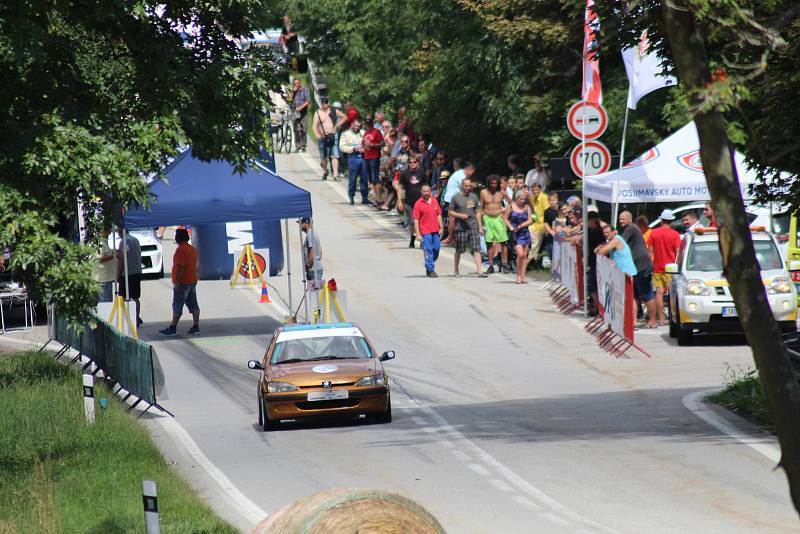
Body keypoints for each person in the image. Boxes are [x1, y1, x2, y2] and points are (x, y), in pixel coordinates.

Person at [619, 210, 657, 328]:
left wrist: (606, 246)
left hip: (642, 267)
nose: (621, 221)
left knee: (647, 295)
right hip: (634, 268)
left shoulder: (631, 228)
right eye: (620, 218)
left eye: (623, 218)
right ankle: (633, 320)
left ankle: (653, 320)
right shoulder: (628, 229)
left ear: (630, 219)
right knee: (634, 295)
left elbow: (620, 242)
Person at [159, 228, 199, 336]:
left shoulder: (180, 250)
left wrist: (177, 281)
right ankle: (196, 326)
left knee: (177, 304)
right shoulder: (192, 249)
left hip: (183, 281)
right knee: (194, 304)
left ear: (178, 238)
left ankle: (173, 327)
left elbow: (180, 267)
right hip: (192, 280)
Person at [650, 209, 682, 325]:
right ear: (671, 221)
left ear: (661, 220)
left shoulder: (654, 233)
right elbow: (678, 251)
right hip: (671, 269)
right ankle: (672, 318)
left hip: (657, 268)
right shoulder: (675, 234)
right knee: (672, 293)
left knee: (659, 293)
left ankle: (661, 318)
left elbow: (650, 251)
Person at [449, 178, 486, 278]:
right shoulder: (455, 197)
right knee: (459, 250)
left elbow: (478, 212)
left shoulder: (474, 197)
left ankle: (480, 272)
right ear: (462, 185)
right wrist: (460, 215)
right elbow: (450, 212)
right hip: (460, 227)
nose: (468, 188)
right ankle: (456, 270)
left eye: (469, 186)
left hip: (473, 226)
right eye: (466, 186)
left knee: (476, 248)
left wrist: (480, 227)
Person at [480, 175, 509, 273]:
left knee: (503, 242)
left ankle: (505, 264)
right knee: (489, 243)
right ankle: (491, 265)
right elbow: (481, 208)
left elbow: (512, 203)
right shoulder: (483, 192)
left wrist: (506, 211)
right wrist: (480, 225)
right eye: (492, 183)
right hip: (488, 219)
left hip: (498, 219)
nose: (493, 185)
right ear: (488, 183)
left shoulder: (501, 193)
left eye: (496, 183)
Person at [413, 184, 443, 277]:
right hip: (425, 231)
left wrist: (441, 227)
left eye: (428, 191)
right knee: (428, 250)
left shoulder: (434, 201)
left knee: (437, 249)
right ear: (421, 192)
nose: (426, 193)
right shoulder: (418, 203)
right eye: (424, 191)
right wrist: (418, 234)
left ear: (430, 192)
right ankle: (430, 270)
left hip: (435, 230)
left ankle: (428, 262)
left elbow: (438, 214)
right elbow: (416, 219)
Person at [441, 161, 475, 244]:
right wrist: (475, 185)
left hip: (452, 198)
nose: (471, 174)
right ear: (469, 169)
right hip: (452, 199)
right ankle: (451, 238)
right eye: (472, 172)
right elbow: (466, 188)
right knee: (453, 219)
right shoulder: (461, 176)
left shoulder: (459, 173)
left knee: (455, 219)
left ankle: (451, 237)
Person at [399, 157, 429, 248]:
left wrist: (428, 199)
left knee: (421, 221)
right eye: (410, 162)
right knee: (412, 221)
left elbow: (426, 186)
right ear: (408, 163)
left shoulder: (422, 173)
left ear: (417, 163)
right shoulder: (404, 174)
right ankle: (412, 239)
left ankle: (421, 240)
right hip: (408, 202)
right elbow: (400, 188)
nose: (412, 164)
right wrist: (399, 201)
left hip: (420, 201)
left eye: (414, 162)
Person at [339, 118, 369, 205]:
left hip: (364, 158)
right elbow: (342, 147)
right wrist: (353, 148)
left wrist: (365, 149)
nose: (357, 128)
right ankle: (351, 196)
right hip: (353, 158)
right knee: (353, 178)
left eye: (359, 126)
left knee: (364, 178)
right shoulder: (345, 134)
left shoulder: (364, 133)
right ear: (351, 125)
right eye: (355, 125)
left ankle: (364, 197)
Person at [505, 191, 533, 283]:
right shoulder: (510, 207)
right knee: (520, 254)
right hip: (515, 234)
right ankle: (518, 275)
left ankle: (523, 276)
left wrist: (521, 226)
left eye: (524, 199)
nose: (523, 201)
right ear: (516, 198)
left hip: (524, 232)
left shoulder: (526, 207)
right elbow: (505, 218)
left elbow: (530, 220)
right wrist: (510, 226)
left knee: (525, 256)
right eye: (521, 199)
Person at [116, 228, 142, 326]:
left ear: (120, 232)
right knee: (135, 297)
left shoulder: (123, 241)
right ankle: (136, 317)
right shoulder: (136, 240)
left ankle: (123, 318)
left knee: (121, 297)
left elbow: (122, 260)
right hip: (137, 271)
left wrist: (117, 275)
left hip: (127, 273)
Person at [585, 212, 606, 315]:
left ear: (592, 220)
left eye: (587, 220)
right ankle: (597, 308)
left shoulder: (597, 231)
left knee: (592, 287)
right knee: (592, 287)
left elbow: (602, 244)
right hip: (593, 261)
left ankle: (599, 310)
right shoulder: (591, 230)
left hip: (596, 262)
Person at [312, 97, 337, 180]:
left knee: (333, 155)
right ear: (321, 103)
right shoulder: (318, 113)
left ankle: (335, 175)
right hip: (322, 138)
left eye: (326, 102)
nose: (324, 104)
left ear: (328, 102)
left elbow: (344, 117)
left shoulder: (333, 110)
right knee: (323, 156)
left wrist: (337, 126)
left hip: (331, 136)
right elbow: (314, 126)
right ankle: (325, 170)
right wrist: (316, 134)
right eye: (322, 102)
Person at [362, 114, 384, 205]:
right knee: (370, 179)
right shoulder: (366, 132)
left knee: (375, 178)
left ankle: (378, 199)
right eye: (367, 122)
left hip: (374, 157)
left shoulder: (377, 131)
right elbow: (363, 142)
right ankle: (376, 198)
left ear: (372, 122)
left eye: (370, 122)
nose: (368, 124)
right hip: (366, 156)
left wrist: (374, 145)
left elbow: (383, 143)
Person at [528, 183, 549, 265]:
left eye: (536, 190)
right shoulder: (532, 198)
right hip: (535, 224)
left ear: (540, 189)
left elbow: (547, 213)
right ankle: (532, 258)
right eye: (533, 190)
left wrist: (546, 227)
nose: (535, 191)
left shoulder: (544, 197)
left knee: (535, 243)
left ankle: (527, 263)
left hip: (542, 225)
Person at [94, 227, 115, 303]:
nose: (109, 233)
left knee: (104, 300)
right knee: (105, 301)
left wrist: (113, 253)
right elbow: (99, 258)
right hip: (103, 278)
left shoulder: (104, 242)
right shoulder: (100, 243)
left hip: (105, 277)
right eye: (108, 230)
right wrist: (113, 255)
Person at [289, 78, 310, 152]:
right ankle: (297, 146)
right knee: (296, 130)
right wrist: (292, 92)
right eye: (294, 84)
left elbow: (308, 101)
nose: (296, 85)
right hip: (294, 111)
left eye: (297, 83)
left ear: (300, 83)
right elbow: (289, 100)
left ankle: (303, 146)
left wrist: (301, 107)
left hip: (303, 112)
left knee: (304, 130)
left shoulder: (304, 90)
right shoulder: (291, 90)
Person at [301, 218, 323, 286]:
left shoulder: (310, 234)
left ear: (307, 223)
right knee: (316, 292)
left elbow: (312, 251)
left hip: (313, 268)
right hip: (317, 266)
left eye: (302, 223)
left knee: (314, 293)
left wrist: (308, 265)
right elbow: (321, 251)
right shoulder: (313, 233)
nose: (300, 225)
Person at [543, 192, 560, 263]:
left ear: (557, 200)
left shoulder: (561, 209)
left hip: (562, 235)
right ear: (548, 201)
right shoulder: (547, 211)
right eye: (551, 200)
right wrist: (551, 232)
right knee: (552, 253)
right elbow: (545, 223)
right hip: (551, 236)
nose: (553, 202)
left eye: (554, 200)